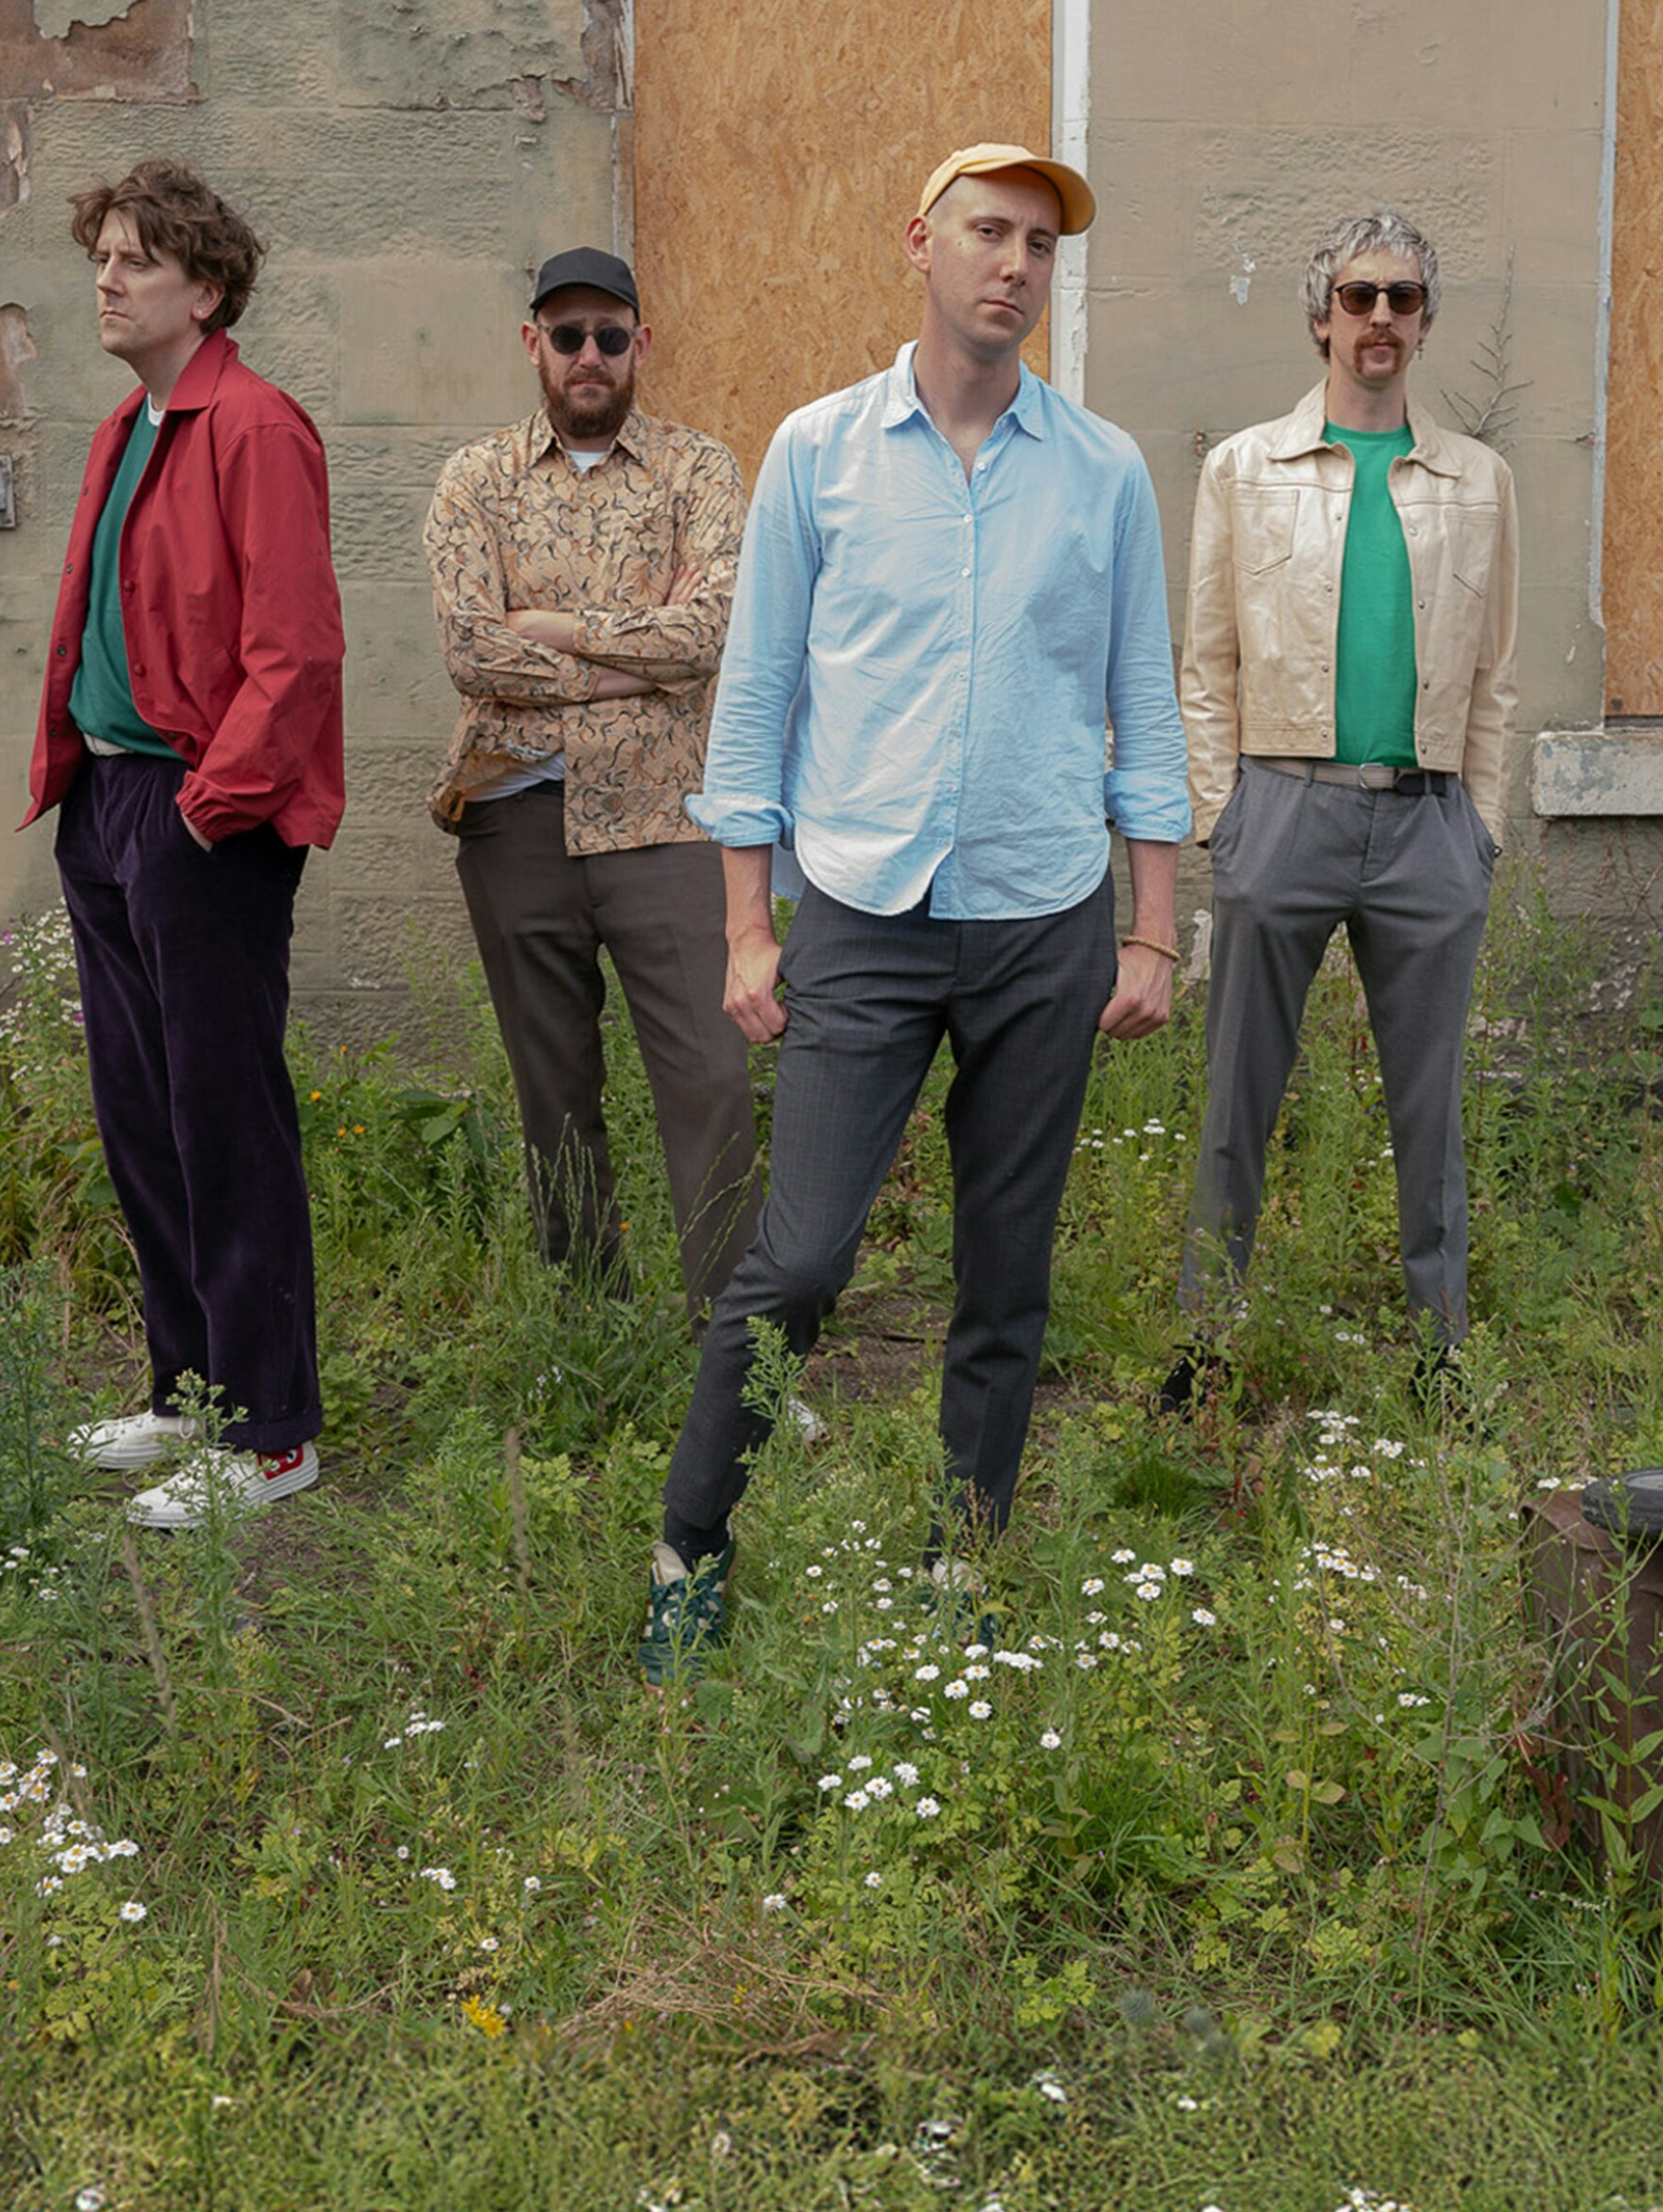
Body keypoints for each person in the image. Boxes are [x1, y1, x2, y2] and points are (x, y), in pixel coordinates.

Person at [639, 144, 1191, 1682]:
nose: (1015, 264)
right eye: (988, 231)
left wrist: (1152, 926)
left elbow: (1144, 708)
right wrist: (750, 926)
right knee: (802, 1258)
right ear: (919, 245)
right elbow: (756, 698)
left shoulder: (1102, 473)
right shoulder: (820, 453)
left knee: (1005, 1275)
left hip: (1043, 917)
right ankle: (691, 1543)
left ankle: (965, 1558)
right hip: (865, 913)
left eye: (1040, 243)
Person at [24, 160, 345, 1526]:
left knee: (223, 1116)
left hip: (198, 811)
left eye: (136, 260)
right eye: (100, 256)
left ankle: (270, 1435)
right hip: (108, 805)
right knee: (144, 1112)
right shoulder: (130, 424)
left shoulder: (255, 428)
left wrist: (213, 805)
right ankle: (192, 1389)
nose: (106, 280)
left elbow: (297, 648)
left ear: (206, 290)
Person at [1167, 208, 1519, 1408]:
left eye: (1402, 298)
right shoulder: (1245, 468)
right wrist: (1223, 820)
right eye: (1359, 296)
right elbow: (1207, 660)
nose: (1380, 317)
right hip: (1283, 807)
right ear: (1321, 316)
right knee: (1237, 1095)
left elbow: (1495, 675)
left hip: (1429, 823)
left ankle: (1441, 1356)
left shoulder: (1477, 480)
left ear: (1425, 321)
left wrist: (1480, 829)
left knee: (1432, 1108)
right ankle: (1205, 1344)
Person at [424, 248, 759, 1324]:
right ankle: (590, 1328)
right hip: (515, 816)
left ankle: (736, 1345)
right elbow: (472, 650)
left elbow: (707, 635)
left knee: (713, 1081)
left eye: (610, 335)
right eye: (567, 335)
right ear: (534, 344)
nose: (589, 355)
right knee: (554, 1094)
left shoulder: (698, 471)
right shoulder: (476, 479)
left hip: (667, 819)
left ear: (640, 343)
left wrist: (552, 629)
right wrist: (631, 661)